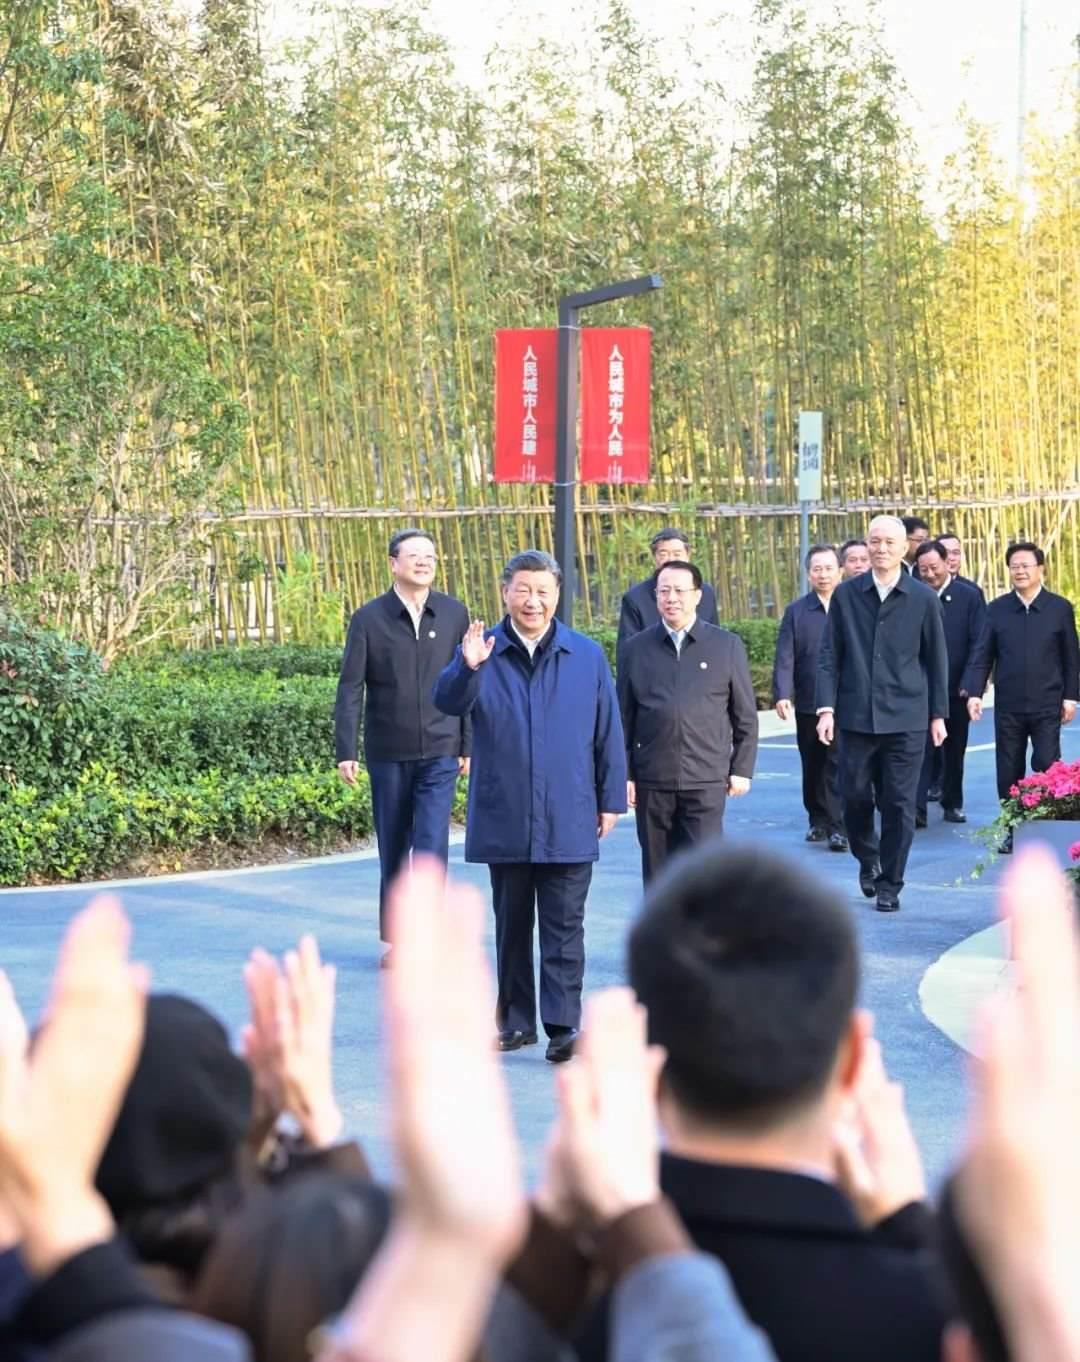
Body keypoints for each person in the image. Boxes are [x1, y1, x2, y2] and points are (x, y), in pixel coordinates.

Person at [571, 842, 949, 1362]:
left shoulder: (560, 1310)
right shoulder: (937, 1323)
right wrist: (913, 1229)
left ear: (643, 1061)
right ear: (855, 1059)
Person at [433, 550, 626, 1061]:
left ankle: (563, 1026)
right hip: (507, 809)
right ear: (505, 593)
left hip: (569, 809)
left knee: (564, 928)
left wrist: (610, 797)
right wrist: (467, 666)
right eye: (523, 590)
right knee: (512, 924)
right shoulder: (483, 652)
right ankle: (516, 1022)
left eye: (543, 591)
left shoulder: (585, 655)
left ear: (557, 595)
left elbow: (608, 731)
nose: (533, 601)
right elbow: (447, 702)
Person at [334, 529, 471, 966]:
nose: (424, 562)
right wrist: (346, 749)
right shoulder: (368, 618)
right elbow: (351, 686)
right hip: (388, 750)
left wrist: (467, 742)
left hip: (441, 748)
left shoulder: (453, 613)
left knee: (431, 845)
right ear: (393, 563)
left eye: (430, 555)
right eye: (414, 555)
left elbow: (468, 678)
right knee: (394, 846)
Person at [816, 514, 949, 912]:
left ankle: (891, 882)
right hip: (856, 717)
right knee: (854, 797)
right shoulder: (846, 595)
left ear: (905, 547)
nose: (881, 549)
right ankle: (867, 857)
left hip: (907, 718)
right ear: (866, 544)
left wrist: (938, 715)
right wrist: (826, 708)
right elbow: (829, 655)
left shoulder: (922, 598)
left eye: (890, 542)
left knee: (899, 804)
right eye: (875, 541)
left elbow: (936, 660)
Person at [618, 561, 758, 883]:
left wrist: (741, 769)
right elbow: (624, 717)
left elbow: (745, 715)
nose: (671, 598)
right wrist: (625, 773)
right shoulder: (635, 649)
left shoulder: (726, 645)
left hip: (706, 777)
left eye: (680, 590)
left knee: (704, 872)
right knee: (657, 873)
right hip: (653, 778)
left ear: (697, 595)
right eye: (664, 591)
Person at [961, 542, 1080, 853]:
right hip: (1009, 706)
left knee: (1047, 765)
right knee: (1008, 769)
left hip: (1047, 703)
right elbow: (982, 654)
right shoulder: (997, 609)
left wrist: (1071, 697)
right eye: (1014, 566)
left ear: (1041, 569)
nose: (1020, 571)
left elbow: (1071, 657)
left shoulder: (1059, 608)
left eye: (1026, 565)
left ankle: (1046, 828)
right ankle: (1013, 829)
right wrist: (974, 693)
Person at [773, 546, 846, 851]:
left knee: (837, 763)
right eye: (817, 569)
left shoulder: (852, 605)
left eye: (829, 568)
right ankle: (817, 819)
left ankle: (838, 826)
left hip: (846, 701)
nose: (823, 574)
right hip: (809, 701)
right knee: (813, 762)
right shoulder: (797, 611)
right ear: (808, 574)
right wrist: (782, 693)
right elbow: (785, 654)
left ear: (840, 571)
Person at [912, 541, 985, 827]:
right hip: (919, 687)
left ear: (947, 563)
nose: (930, 574)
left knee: (954, 749)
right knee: (919, 749)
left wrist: (972, 684)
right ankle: (916, 808)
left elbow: (979, 643)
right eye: (923, 569)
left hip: (956, 688)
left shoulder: (969, 596)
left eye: (934, 567)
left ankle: (952, 802)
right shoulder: (912, 594)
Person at [617, 527, 718, 656]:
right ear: (654, 557)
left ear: (688, 556)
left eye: (677, 554)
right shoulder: (635, 598)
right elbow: (627, 651)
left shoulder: (705, 593)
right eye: (663, 554)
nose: (671, 559)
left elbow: (715, 639)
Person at [937, 532, 985, 601]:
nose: (951, 558)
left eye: (956, 553)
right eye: (946, 553)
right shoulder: (926, 588)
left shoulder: (973, 591)